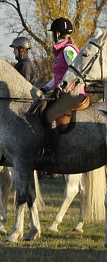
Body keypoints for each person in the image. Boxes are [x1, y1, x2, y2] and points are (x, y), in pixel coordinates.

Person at [38, 17, 87, 164]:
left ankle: (52, 154)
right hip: (62, 91)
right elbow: (58, 77)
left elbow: (75, 73)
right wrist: (45, 88)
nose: (53, 35)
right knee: (40, 108)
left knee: (49, 115)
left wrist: (62, 87)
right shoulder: (60, 52)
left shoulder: (68, 50)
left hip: (74, 92)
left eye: (53, 33)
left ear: (58, 34)